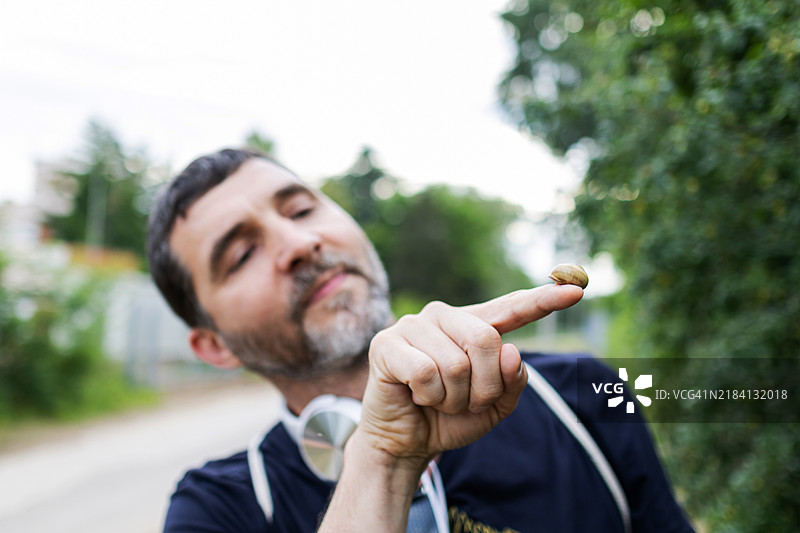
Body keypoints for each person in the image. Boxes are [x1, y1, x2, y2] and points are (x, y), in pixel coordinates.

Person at [147, 148, 695, 533]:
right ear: (214, 346)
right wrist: (382, 461)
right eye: (241, 255)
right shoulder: (219, 508)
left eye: (301, 209)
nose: (299, 243)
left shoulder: (582, 393)